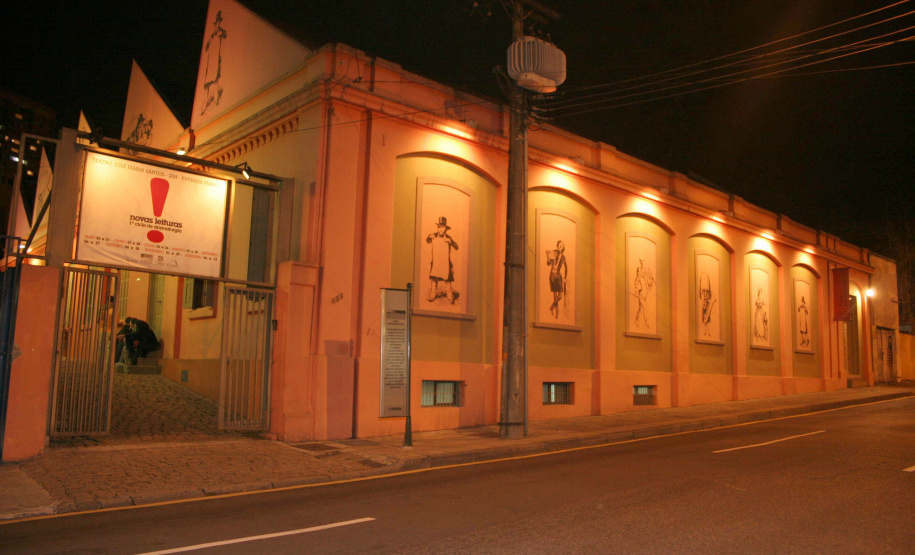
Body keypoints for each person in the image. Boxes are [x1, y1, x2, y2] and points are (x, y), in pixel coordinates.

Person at [426, 216, 459, 304]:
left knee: (448, 280)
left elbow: (456, 247)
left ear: (445, 229)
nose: (441, 229)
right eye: (440, 227)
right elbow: (427, 240)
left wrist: (450, 241)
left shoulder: (448, 237)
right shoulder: (434, 235)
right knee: (434, 279)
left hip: (445, 262)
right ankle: (432, 295)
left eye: (443, 227)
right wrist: (429, 237)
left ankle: (450, 297)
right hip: (436, 261)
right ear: (438, 227)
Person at [546, 240, 568, 319]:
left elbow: (566, 268)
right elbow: (548, 264)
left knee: (560, 296)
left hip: (559, 276)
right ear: (557, 245)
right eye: (559, 244)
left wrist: (565, 277)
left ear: (563, 247)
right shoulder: (553, 252)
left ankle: (551, 307)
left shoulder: (563, 256)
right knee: (555, 296)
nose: (560, 246)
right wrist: (548, 260)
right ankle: (556, 313)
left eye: (562, 245)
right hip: (552, 275)